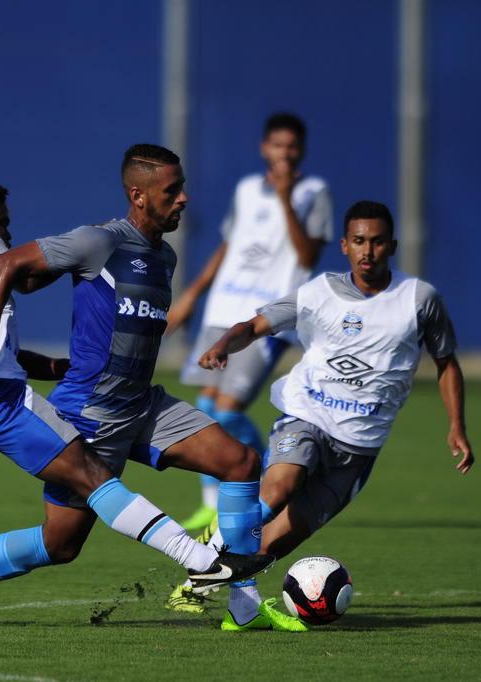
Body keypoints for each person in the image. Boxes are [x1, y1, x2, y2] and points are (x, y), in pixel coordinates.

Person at [0, 176, 270, 628]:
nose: (8, 232)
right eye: (4, 222)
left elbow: (0, 347)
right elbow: (10, 268)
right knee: (91, 477)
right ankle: (201, 559)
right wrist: (56, 262)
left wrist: (52, 365)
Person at [169, 200, 475, 631]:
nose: (368, 251)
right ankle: (199, 575)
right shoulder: (319, 293)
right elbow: (255, 325)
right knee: (279, 487)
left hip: (359, 448)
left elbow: (446, 362)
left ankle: (230, 593)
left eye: (377, 241)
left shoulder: (419, 299)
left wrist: (457, 426)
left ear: (393, 245)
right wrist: (224, 346)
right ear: (344, 246)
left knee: (274, 544)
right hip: (305, 415)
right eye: (359, 241)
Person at [167, 112, 333, 532]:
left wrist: (284, 199)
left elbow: (307, 256)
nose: (285, 153)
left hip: (266, 319)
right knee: (205, 411)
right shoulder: (244, 189)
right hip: (222, 310)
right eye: (278, 145)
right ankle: (210, 503)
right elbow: (231, 245)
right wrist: (192, 293)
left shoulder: (314, 192)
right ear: (265, 148)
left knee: (226, 414)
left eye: (292, 147)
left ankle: (270, 472)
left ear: (303, 151)